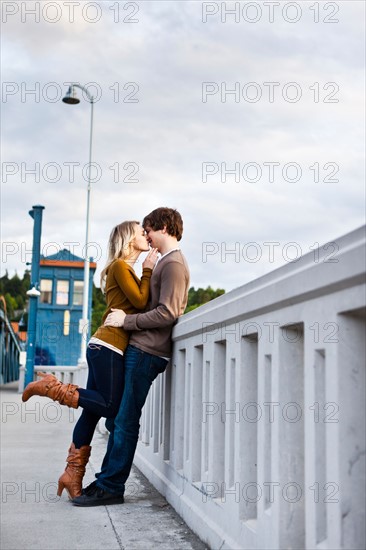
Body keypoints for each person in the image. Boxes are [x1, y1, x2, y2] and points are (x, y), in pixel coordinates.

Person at [22, 221, 158, 498]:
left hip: (103, 345)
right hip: (108, 346)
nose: (145, 235)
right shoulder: (121, 266)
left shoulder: (123, 269)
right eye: (140, 231)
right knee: (110, 406)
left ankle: (72, 474)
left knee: (92, 411)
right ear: (128, 239)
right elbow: (142, 301)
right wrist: (149, 269)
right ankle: (53, 388)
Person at [72, 207, 190, 506]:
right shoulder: (163, 263)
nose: (146, 236)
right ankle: (105, 481)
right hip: (137, 348)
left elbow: (168, 312)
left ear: (163, 227)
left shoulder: (174, 264)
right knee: (117, 420)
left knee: (123, 421)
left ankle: (111, 487)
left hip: (148, 351)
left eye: (148, 230)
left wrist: (127, 322)